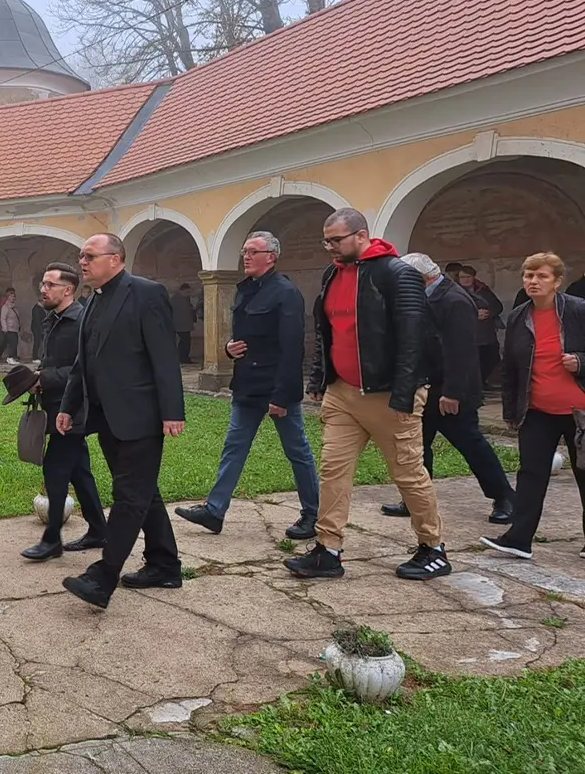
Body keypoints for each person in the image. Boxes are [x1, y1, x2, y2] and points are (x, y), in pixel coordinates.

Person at [286, 208, 451, 581]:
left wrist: (405, 394)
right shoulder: (333, 274)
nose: (329, 247)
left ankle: (433, 547)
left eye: (336, 240)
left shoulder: (397, 273)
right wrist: (319, 377)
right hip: (342, 392)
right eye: (325, 240)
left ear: (361, 236)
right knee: (333, 470)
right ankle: (328, 549)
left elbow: (415, 339)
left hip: (388, 391)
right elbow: (327, 332)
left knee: (407, 472)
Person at [57, 233, 186, 610]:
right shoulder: (91, 301)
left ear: (115, 259)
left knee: (130, 496)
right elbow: (85, 361)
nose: (82, 262)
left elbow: (164, 355)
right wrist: (68, 404)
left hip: (140, 416)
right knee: (143, 492)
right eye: (80, 256)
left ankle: (103, 577)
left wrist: (172, 410)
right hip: (106, 417)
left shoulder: (145, 293)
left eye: (90, 256)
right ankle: (164, 564)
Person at [175, 231, 319, 540]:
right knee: (233, 448)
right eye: (244, 252)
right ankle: (214, 511)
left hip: (276, 388)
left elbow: (293, 348)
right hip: (247, 385)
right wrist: (228, 349)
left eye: (253, 252)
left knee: (297, 451)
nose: (246, 257)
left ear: (271, 256)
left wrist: (282, 395)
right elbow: (243, 337)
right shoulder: (245, 290)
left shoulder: (285, 292)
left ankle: (312, 513)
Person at [380, 255, 515, 522]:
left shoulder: (454, 300)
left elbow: (461, 350)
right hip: (427, 386)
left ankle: (505, 497)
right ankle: (416, 498)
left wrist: (452, 392)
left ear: (421, 277)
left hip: (452, 390)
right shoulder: (425, 296)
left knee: (471, 445)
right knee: (417, 447)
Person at [480, 252, 585, 560]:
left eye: (541, 276)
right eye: (528, 276)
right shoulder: (519, 316)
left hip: (579, 413)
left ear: (557, 282)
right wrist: (511, 411)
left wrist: (580, 361)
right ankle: (519, 539)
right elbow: (511, 367)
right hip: (537, 411)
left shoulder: (578, 310)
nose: (533, 281)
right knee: (530, 475)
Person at [19, 262, 109, 561]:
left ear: (68, 289)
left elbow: (84, 369)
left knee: (55, 470)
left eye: (50, 285)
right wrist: (37, 375)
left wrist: (44, 378)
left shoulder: (81, 320)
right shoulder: (53, 319)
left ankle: (51, 539)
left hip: (74, 410)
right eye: (42, 284)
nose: (43, 289)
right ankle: (98, 529)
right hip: (54, 404)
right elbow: (56, 361)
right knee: (80, 472)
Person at [458, 266, 504, 389]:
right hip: (469, 333)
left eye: (468, 277)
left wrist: (489, 312)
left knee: (492, 357)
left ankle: (482, 381)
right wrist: (474, 314)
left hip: (486, 332)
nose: (466, 280)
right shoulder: (455, 291)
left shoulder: (483, 290)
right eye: (462, 277)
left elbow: (498, 305)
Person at [171, 284, 196, 364]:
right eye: (187, 292)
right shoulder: (174, 299)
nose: (188, 293)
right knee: (184, 342)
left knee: (185, 342)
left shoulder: (186, 298)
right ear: (181, 291)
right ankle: (183, 358)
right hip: (180, 325)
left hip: (185, 324)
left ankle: (183, 357)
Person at [0, 288, 21, 364]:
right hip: (9, 328)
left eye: (14, 296)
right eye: (11, 296)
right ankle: (10, 357)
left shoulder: (14, 306)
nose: (13, 298)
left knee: (15, 343)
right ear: (8, 297)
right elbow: (3, 318)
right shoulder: (5, 307)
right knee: (12, 343)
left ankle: (12, 356)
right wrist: (5, 329)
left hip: (15, 328)